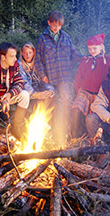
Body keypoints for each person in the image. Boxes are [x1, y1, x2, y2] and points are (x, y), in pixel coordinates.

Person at [34, 10, 85, 145]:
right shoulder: (42, 39)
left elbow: (73, 54)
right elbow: (38, 60)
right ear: (49, 23)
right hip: (49, 77)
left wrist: (84, 58)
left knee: (67, 101)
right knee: (48, 102)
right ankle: (47, 129)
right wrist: (42, 75)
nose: (57, 28)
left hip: (64, 77)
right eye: (54, 25)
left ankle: (67, 130)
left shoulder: (66, 37)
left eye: (59, 25)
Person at [72, 34, 110, 136]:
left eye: (95, 48)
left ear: (101, 47)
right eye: (90, 49)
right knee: (76, 108)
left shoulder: (108, 60)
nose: (92, 51)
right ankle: (74, 135)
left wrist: (109, 93)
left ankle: (93, 138)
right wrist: (78, 91)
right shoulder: (86, 60)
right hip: (85, 91)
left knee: (93, 115)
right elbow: (78, 77)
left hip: (100, 94)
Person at [19, 42, 55, 109]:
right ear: (21, 53)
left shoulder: (37, 63)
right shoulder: (19, 65)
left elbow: (43, 81)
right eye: (25, 53)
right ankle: (36, 116)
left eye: (30, 52)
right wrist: (34, 93)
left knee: (50, 94)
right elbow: (24, 82)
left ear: (34, 52)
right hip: (27, 91)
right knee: (37, 99)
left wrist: (50, 91)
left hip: (38, 89)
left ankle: (42, 116)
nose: (28, 55)